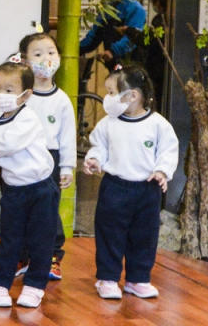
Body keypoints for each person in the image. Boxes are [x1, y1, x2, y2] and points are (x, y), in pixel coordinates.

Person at [83, 64, 178, 300]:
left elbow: (168, 151)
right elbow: (99, 145)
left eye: (112, 93)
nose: (108, 99)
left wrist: (162, 172)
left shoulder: (158, 124)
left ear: (133, 95)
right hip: (115, 187)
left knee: (145, 236)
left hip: (147, 190)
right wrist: (94, 159)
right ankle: (108, 278)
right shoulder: (108, 123)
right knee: (110, 233)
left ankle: (138, 279)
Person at [0, 60, 58, 310]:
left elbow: (5, 145)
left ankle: (35, 286)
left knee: (41, 240)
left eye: (8, 90)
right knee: (10, 239)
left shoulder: (28, 119)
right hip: (13, 190)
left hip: (41, 189)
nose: (0, 95)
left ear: (26, 95)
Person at [16, 32, 75, 281]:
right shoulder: (20, 96)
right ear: (24, 61)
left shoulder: (61, 100)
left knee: (48, 211)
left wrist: (67, 167)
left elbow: (67, 136)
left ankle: (51, 257)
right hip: (20, 158)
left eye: (51, 52)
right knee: (19, 210)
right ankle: (23, 256)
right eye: (38, 54)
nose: (46, 59)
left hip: (50, 160)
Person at [80, 0, 147, 71]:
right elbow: (94, 36)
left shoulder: (135, 9)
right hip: (113, 62)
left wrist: (112, 51)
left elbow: (132, 38)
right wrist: (78, 49)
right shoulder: (107, 9)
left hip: (132, 62)